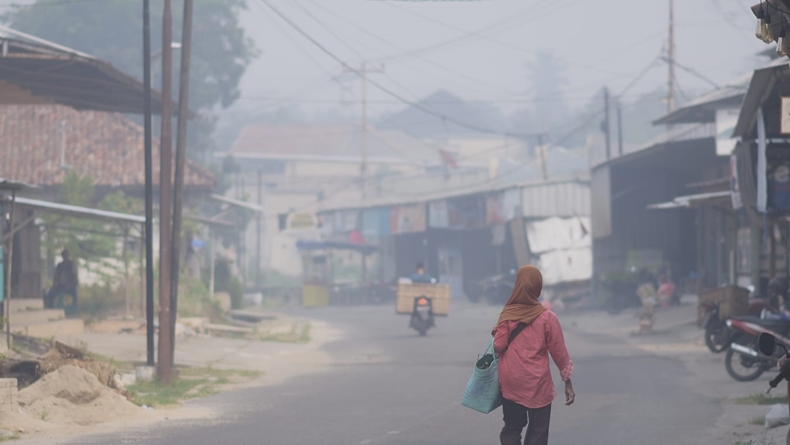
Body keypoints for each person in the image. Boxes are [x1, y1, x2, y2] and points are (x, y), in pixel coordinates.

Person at [492, 265, 574, 445]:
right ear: (538, 286)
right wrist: (567, 382)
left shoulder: (508, 314)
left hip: (511, 380)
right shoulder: (547, 317)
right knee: (538, 429)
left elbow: (498, 345)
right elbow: (559, 352)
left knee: (512, 427)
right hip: (537, 382)